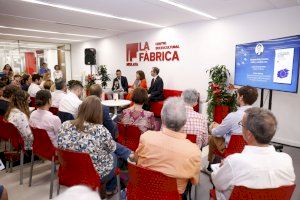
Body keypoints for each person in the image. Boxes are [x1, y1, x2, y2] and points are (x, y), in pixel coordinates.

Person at [212, 107, 296, 199]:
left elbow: (217, 183)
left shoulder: (234, 161)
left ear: (249, 134)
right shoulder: (286, 160)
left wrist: (223, 167)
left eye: (242, 125)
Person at [58, 96, 133, 194]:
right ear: (98, 113)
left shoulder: (65, 125)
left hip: (70, 170)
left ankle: (129, 155)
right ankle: (110, 188)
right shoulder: (100, 130)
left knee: (111, 149)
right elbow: (111, 148)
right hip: (95, 174)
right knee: (114, 155)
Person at [135, 97, 201, 195]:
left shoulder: (146, 138)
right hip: (173, 196)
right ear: (184, 121)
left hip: (145, 192)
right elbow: (194, 181)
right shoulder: (194, 151)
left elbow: (137, 161)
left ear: (162, 117)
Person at [206, 86, 258, 172]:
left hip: (231, 151)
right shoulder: (258, 115)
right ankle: (212, 166)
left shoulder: (233, 116)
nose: (236, 98)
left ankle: (211, 167)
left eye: (237, 95)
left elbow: (216, 133)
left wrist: (212, 127)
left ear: (241, 97)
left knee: (212, 136)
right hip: (249, 150)